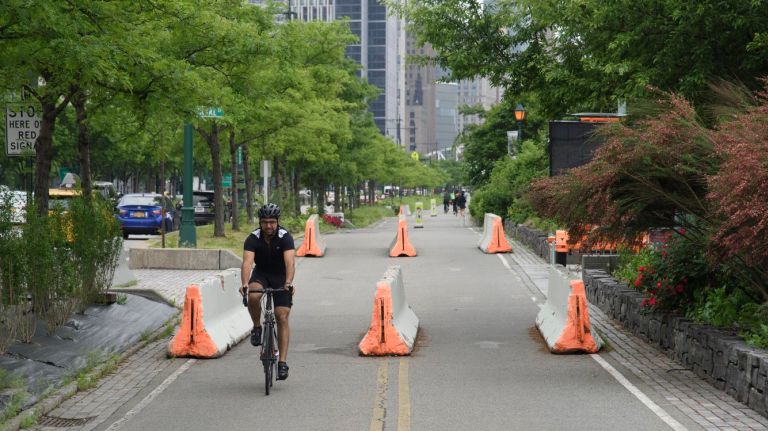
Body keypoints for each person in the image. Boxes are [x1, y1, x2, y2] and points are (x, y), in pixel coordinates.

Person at [241, 203, 296, 381]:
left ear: (278, 221)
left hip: (281, 277)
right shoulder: (253, 238)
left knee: (281, 316)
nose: (269, 226)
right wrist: (244, 283)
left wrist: (288, 282)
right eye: (265, 222)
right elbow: (247, 263)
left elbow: (290, 263)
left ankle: (282, 362)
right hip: (262, 274)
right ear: (260, 222)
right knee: (254, 295)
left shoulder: (285, 237)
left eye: (272, 222)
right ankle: (257, 327)